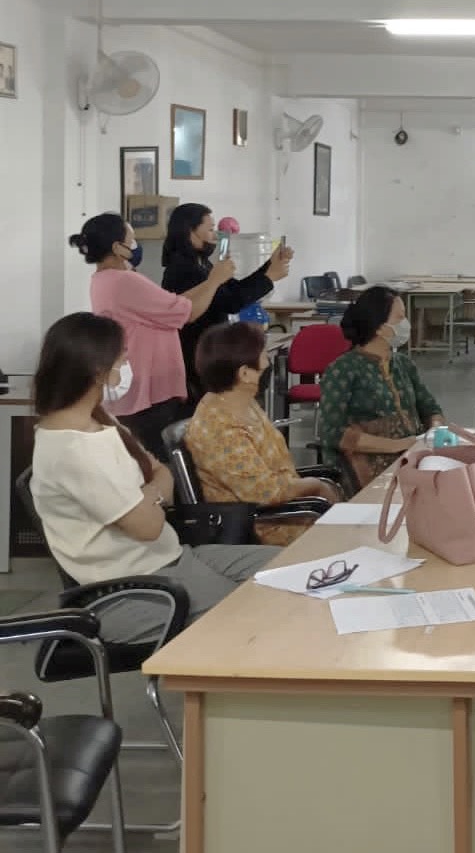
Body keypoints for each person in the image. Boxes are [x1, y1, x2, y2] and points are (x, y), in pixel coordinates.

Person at [30, 312, 279, 646]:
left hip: (170, 558)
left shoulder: (101, 421)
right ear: (96, 370)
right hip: (129, 588)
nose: (126, 364)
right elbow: (148, 525)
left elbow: (161, 472)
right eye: (122, 357)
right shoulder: (72, 450)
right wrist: (154, 494)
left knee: (288, 568)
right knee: (253, 613)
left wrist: (148, 496)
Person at [73, 211, 228, 461]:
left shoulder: (103, 279)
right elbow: (188, 312)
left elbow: (175, 303)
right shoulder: (126, 281)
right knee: (160, 460)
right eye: (131, 239)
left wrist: (211, 281)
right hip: (148, 388)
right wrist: (215, 281)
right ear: (117, 247)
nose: (136, 245)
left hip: (137, 383)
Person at [186, 322, 341, 546]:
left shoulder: (240, 402)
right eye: (263, 356)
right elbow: (265, 493)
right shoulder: (219, 428)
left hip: (289, 509)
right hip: (268, 525)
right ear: (245, 373)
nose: (268, 362)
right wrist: (315, 486)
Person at [161, 203, 293, 402]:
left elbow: (233, 289)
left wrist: (269, 267)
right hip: (197, 352)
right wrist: (269, 277)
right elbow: (230, 301)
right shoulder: (182, 268)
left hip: (210, 347)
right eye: (210, 229)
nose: (215, 235)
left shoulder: (202, 263)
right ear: (191, 231)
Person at [318, 285, 445, 485]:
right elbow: (333, 434)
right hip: (367, 468)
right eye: (399, 318)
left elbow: (430, 409)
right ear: (379, 327)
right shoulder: (343, 370)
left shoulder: (403, 364)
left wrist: (435, 432)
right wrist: (398, 445)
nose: (406, 324)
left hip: (411, 458)